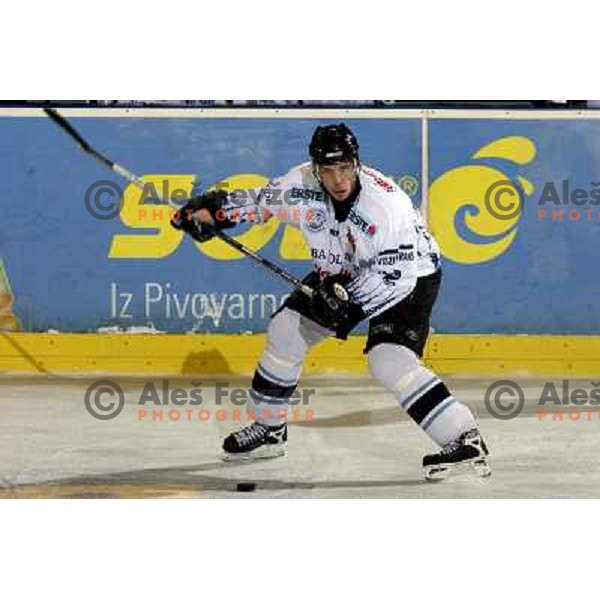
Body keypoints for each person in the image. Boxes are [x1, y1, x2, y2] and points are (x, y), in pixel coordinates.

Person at [171, 123, 490, 480]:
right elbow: (262, 202)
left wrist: (344, 300)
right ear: (316, 169)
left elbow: (392, 276)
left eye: (344, 168)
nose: (337, 179)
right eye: (327, 170)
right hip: (341, 269)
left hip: (409, 274)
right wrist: (212, 213)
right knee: (286, 330)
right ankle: (270, 429)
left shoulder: (384, 206)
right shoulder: (301, 185)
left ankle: (464, 438)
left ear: (356, 163)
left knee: (388, 360)